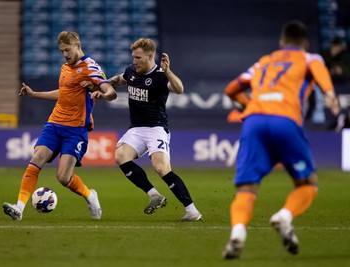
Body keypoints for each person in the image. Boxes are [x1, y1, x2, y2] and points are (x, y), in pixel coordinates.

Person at [222, 20, 342, 259]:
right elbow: (320, 72)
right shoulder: (309, 58)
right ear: (304, 43)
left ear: (281, 42)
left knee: (246, 188)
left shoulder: (263, 62)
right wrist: (329, 93)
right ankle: (284, 216)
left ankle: (237, 232)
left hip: (254, 121)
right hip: (285, 120)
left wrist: (250, 108)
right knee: (307, 183)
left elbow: (231, 90)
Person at [2, 31, 117, 221]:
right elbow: (63, 93)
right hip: (55, 123)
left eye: (67, 50)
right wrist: (34, 94)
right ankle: (19, 208)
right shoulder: (65, 67)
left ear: (78, 46)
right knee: (37, 157)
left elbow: (111, 92)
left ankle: (90, 196)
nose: (65, 54)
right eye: (62, 51)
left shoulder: (90, 67)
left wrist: (101, 94)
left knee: (63, 177)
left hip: (76, 130)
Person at [108, 38, 202, 221]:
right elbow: (120, 79)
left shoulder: (160, 76)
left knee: (161, 168)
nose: (134, 61)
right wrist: (103, 84)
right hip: (136, 129)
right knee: (120, 156)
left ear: (150, 56)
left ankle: (192, 211)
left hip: (156, 128)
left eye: (138, 58)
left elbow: (179, 89)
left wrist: (168, 72)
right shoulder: (131, 71)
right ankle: (153, 194)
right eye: (133, 57)